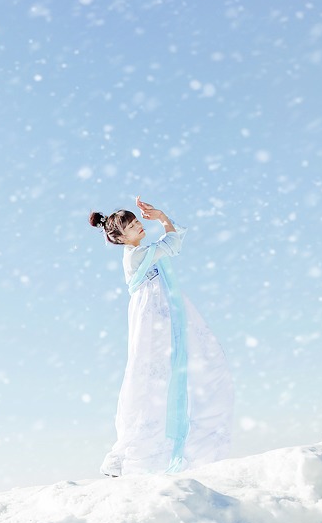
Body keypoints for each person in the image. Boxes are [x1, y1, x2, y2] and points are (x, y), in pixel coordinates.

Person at [90, 197, 232, 476]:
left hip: (159, 318)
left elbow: (170, 246)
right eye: (131, 225)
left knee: (158, 380)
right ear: (119, 237)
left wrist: (163, 219)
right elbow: (172, 245)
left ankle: (134, 453)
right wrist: (164, 218)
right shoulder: (136, 255)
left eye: (137, 221)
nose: (139, 226)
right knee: (152, 381)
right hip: (153, 322)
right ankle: (132, 454)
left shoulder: (141, 251)